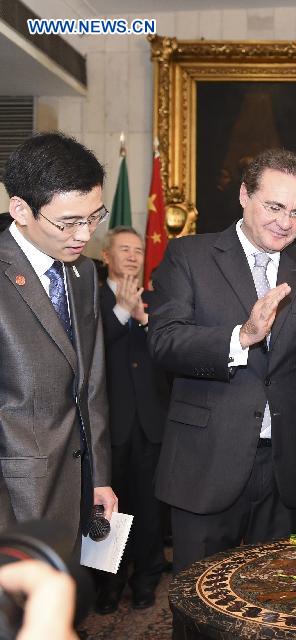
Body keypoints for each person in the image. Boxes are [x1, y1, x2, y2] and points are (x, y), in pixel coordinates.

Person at [148, 148, 296, 573]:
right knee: (198, 595)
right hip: (206, 462)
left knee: (276, 596)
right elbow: (164, 342)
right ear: (244, 195)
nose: (285, 223)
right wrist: (241, 337)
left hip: (284, 467)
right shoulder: (189, 256)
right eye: (274, 207)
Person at [0, 132, 117, 549]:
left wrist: (98, 476)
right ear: (21, 210)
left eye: (94, 217)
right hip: (15, 496)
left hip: (75, 489)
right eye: (68, 222)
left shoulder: (82, 273)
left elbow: (92, 384)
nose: (84, 234)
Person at [95, 227, 170, 613]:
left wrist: (142, 318)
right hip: (108, 426)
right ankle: (108, 584)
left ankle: (147, 578)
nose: (132, 256)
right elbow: (88, 349)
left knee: (149, 508)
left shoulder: (156, 302)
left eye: (138, 250)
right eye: (124, 249)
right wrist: (121, 311)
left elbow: (171, 353)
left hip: (152, 423)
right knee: (107, 510)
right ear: (106, 256)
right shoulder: (90, 298)